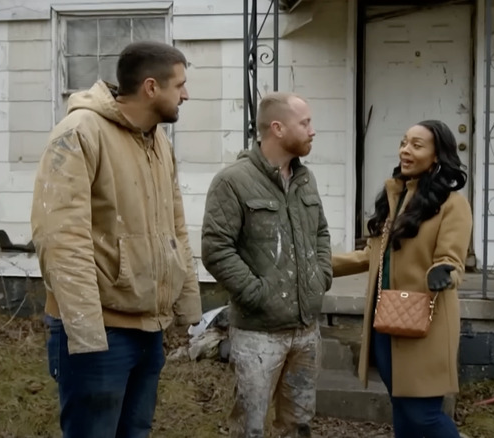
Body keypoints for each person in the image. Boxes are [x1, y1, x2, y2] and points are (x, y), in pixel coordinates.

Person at [30, 41, 202, 438]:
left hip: (148, 330)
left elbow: (175, 226)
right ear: (151, 87)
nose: (187, 94)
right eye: (180, 85)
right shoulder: (78, 134)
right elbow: (61, 240)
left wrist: (187, 302)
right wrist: (87, 334)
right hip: (100, 335)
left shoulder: (156, 140)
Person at [200, 92, 333, 438]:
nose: (312, 131)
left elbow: (320, 231)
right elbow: (216, 249)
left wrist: (322, 276)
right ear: (277, 128)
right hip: (258, 335)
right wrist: (258, 294)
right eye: (305, 123)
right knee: (250, 428)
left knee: (298, 425)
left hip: (306, 332)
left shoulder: (306, 179)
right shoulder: (233, 181)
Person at [331, 120, 473, 438]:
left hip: (425, 325)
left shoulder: (452, 205)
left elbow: (451, 260)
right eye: (403, 142)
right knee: (402, 411)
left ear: (437, 156)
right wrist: (322, 265)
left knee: (423, 416)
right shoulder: (396, 198)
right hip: (386, 323)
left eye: (416, 145)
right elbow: (374, 255)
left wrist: (444, 272)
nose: (405, 151)